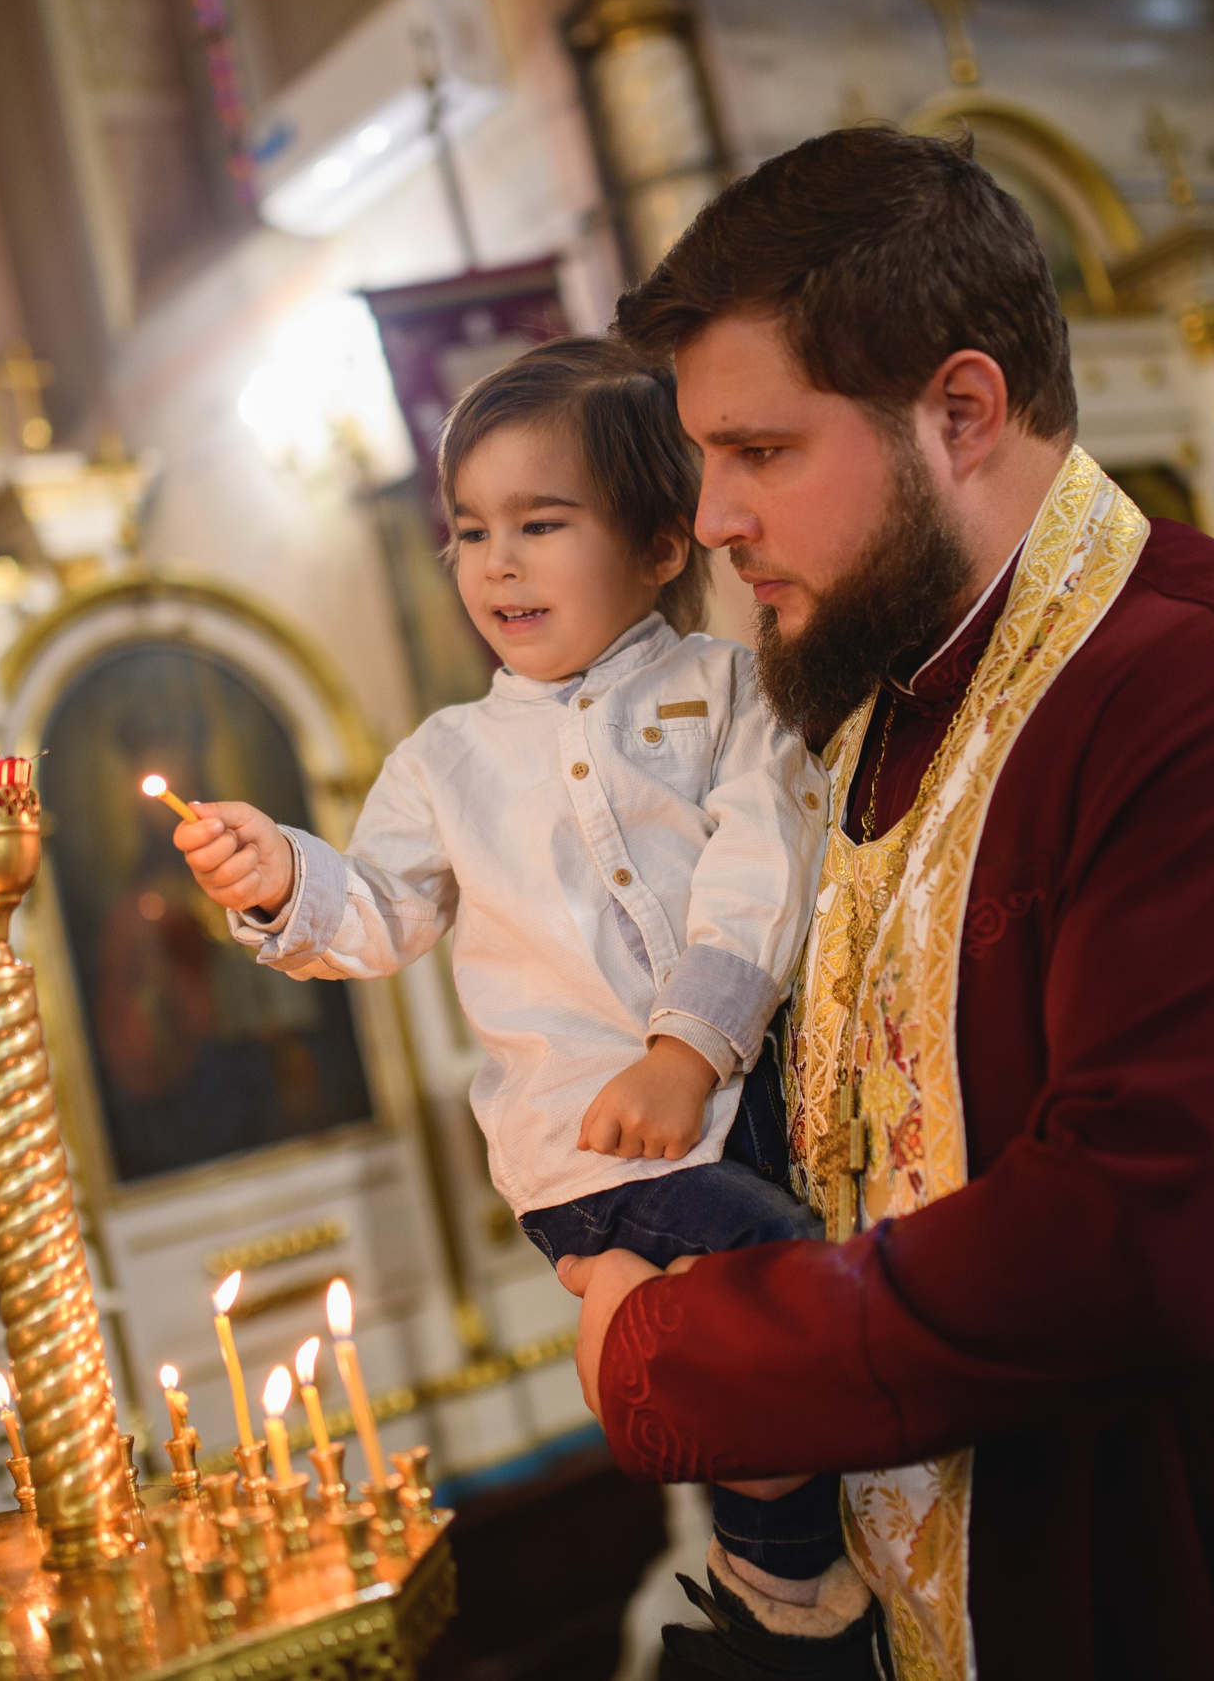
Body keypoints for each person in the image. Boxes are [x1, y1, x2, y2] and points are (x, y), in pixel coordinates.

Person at [556, 127, 1214, 1680]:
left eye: (761, 451)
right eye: (707, 458)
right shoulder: (890, 712)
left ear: (962, 411)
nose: (712, 519)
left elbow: (1135, 1244)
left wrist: (680, 1354)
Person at [172, 337, 855, 1648]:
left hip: (739, 1106)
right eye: (470, 532)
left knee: (765, 1299)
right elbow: (377, 912)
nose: (496, 563)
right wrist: (282, 879)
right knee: (791, 1285)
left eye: (540, 525)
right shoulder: (444, 761)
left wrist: (690, 1050)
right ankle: (775, 1576)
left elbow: (761, 865)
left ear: (659, 545)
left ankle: (697, 1410)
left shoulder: (729, 689)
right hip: (587, 1147)